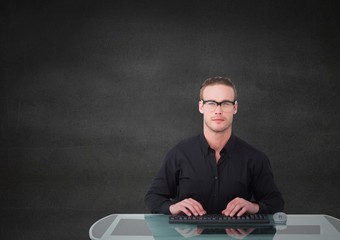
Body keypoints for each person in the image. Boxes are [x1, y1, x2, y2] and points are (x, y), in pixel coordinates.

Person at [144, 76, 284, 217]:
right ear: (201, 107)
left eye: (225, 103)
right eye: (211, 103)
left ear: (235, 108)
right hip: (189, 238)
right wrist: (172, 208)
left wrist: (254, 207)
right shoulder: (179, 154)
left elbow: (276, 203)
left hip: (236, 238)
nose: (218, 110)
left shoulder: (255, 158)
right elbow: (153, 198)